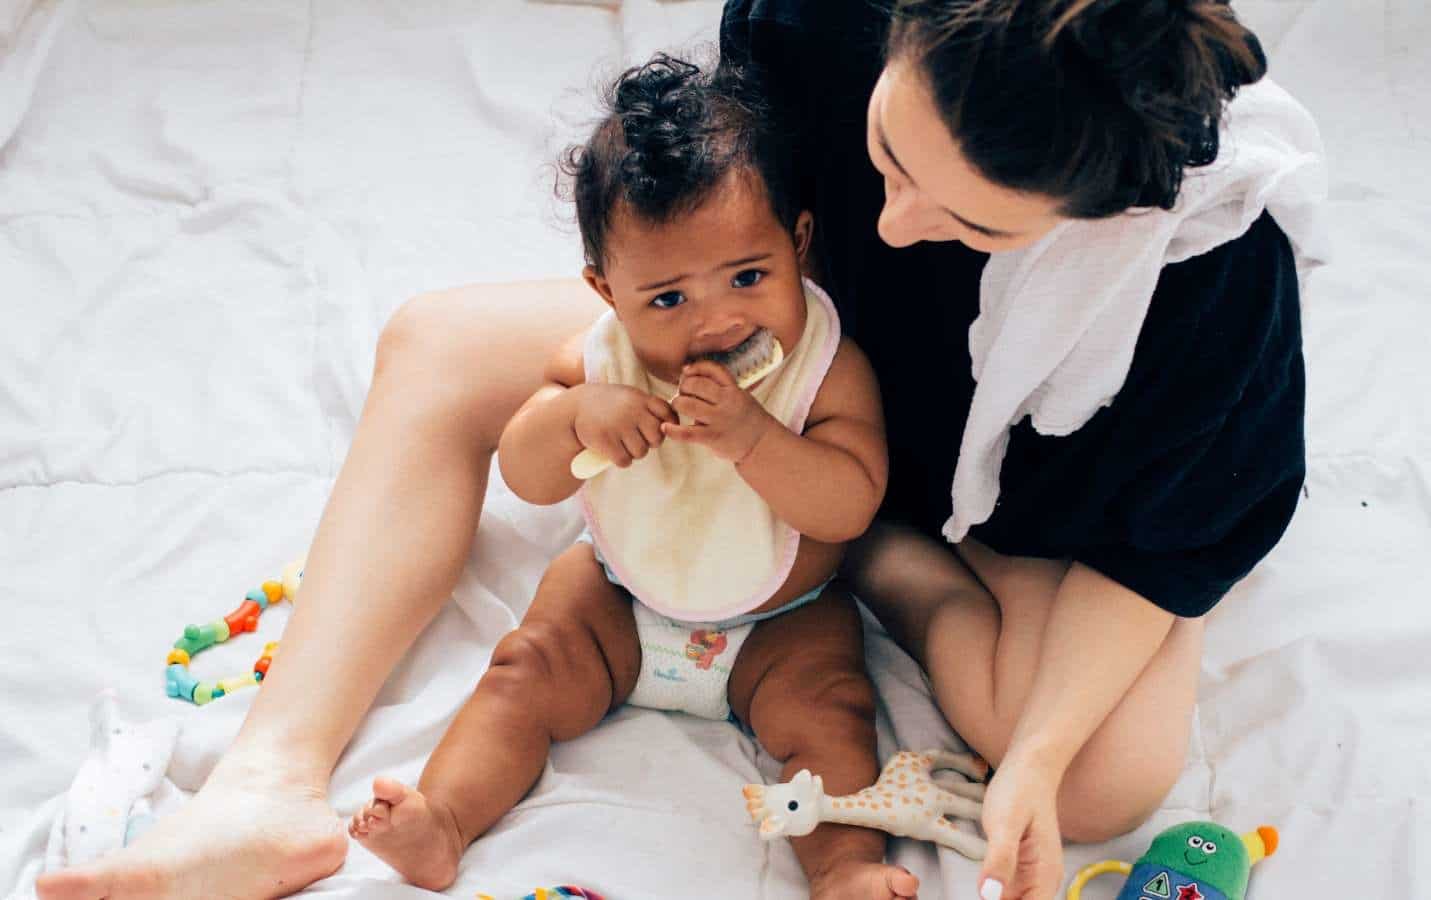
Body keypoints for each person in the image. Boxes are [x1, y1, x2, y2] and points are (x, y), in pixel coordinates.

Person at [35, 1, 1323, 899]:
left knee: (1099, 778)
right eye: (885, 154)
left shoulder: (1209, 281)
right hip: (782, 341)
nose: (894, 216)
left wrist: (1032, 763)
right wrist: (631, 377)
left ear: (1103, 220)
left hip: (1006, 479)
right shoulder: (821, 20)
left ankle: (889, 560)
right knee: (433, 347)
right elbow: (698, 222)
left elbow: (1162, 554)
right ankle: (266, 783)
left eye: (976, 223)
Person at [344, 55, 913, 900]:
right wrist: (573, 417)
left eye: (749, 278)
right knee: (522, 671)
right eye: (667, 300)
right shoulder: (595, 359)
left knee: (832, 712)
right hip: (618, 598)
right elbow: (528, 475)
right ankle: (446, 822)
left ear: (797, 245)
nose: (718, 321)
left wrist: (752, 438)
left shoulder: (825, 370)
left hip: (781, 621)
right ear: (606, 289)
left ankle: (843, 866)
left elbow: (848, 504)